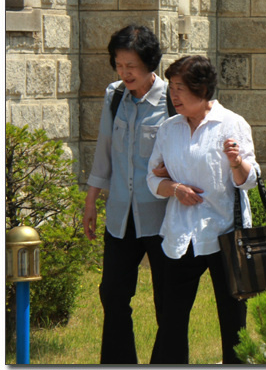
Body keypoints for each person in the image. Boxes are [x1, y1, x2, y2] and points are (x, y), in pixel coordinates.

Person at [146, 55, 259, 364]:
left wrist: (236, 163)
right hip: (181, 234)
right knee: (171, 321)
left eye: (180, 88)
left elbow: (250, 181)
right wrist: (175, 189)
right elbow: (152, 178)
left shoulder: (232, 124)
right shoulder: (169, 129)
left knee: (233, 323)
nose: (174, 95)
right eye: (171, 87)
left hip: (224, 233)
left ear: (202, 88)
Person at [84, 25, 172, 364]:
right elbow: (104, 150)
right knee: (113, 294)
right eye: (119, 65)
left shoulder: (171, 100)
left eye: (131, 66)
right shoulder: (115, 95)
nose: (125, 73)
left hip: (162, 217)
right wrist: (91, 200)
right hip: (121, 215)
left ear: (150, 63)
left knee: (168, 302)